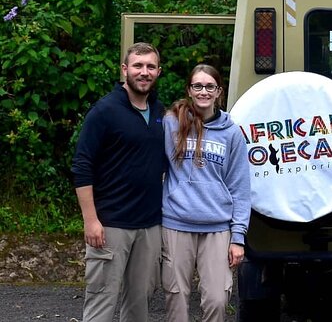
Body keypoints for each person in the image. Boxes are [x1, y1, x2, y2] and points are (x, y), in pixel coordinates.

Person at [71, 42, 165, 321]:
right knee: (101, 303)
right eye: (137, 65)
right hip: (110, 225)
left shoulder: (160, 111)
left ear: (158, 71)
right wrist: (91, 220)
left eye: (150, 66)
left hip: (149, 225)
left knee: (140, 304)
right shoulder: (104, 111)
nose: (144, 72)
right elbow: (81, 166)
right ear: (125, 69)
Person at [161, 64, 251, 322]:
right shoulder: (171, 123)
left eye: (209, 86)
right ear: (189, 90)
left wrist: (238, 237)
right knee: (175, 298)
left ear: (218, 91)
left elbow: (240, 188)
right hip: (177, 223)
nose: (203, 91)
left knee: (217, 299)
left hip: (217, 227)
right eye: (197, 86)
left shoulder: (232, 133)